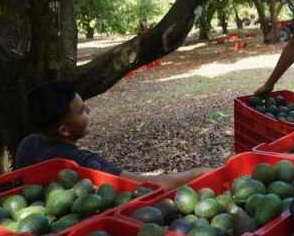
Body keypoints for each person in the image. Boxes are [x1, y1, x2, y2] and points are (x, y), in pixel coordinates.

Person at [14, 80, 213, 192]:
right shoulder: (81, 163)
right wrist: (199, 173)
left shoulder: (28, 144)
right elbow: (146, 187)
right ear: (64, 130)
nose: (89, 110)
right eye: (82, 110)